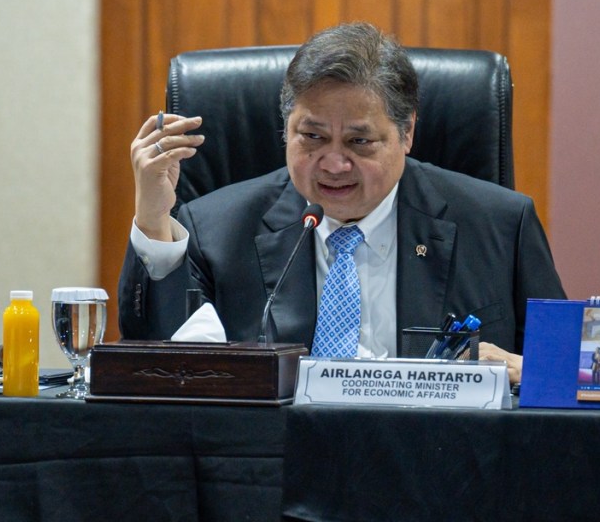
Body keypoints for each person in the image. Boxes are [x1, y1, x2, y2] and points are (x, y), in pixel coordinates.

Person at [118, 22, 565, 384]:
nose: (333, 164)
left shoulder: (501, 226)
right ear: (286, 129)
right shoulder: (216, 229)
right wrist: (154, 219)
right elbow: (151, 369)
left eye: (359, 141)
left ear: (407, 133)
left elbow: (570, 375)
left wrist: (530, 372)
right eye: (312, 137)